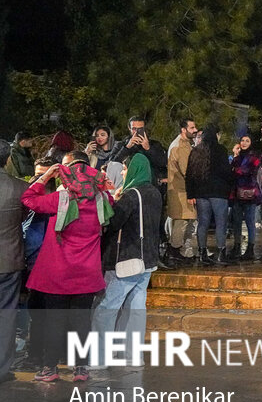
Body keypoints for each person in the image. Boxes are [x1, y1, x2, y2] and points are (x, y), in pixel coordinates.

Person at [22, 153, 110, 382]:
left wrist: (45, 177)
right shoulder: (100, 200)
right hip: (87, 273)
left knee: (54, 321)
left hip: (57, 274)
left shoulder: (60, 200)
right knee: (82, 322)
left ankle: (49, 369)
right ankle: (81, 369)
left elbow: (28, 199)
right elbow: (111, 198)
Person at [92, 153, 163, 366]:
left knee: (107, 308)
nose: (123, 172)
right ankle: (133, 356)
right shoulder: (155, 192)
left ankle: (100, 358)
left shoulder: (131, 195)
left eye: (125, 168)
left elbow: (113, 223)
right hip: (148, 260)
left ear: (134, 170)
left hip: (127, 260)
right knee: (135, 309)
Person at [186, 121, 235, 266]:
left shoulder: (196, 151)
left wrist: (191, 194)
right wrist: (230, 183)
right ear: (216, 135)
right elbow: (225, 171)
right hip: (218, 192)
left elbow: (189, 174)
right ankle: (220, 253)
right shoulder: (220, 150)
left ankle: (202, 253)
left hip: (201, 193)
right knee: (221, 223)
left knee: (203, 223)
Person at [0, 141, 25, 382]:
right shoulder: (18, 187)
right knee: (7, 316)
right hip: (9, 259)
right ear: (8, 160)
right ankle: (2, 368)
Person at [165, 119, 199, 263]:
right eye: (192, 127)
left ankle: (177, 250)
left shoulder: (184, 144)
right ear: (183, 130)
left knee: (183, 220)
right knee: (182, 221)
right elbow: (188, 171)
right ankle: (174, 250)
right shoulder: (180, 146)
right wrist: (193, 191)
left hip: (181, 189)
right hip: (182, 190)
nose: (195, 130)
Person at [229, 132, 262, 261]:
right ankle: (237, 246)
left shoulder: (254, 156)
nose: (244, 143)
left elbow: (246, 171)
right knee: (236, 221)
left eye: (247, 141)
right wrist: (235, 155)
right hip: (237, 193)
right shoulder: (237, 158)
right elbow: (232, 171)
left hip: (250, 194)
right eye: (242, 140)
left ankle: (250, 248)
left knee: (249, 222)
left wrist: (235, 169)